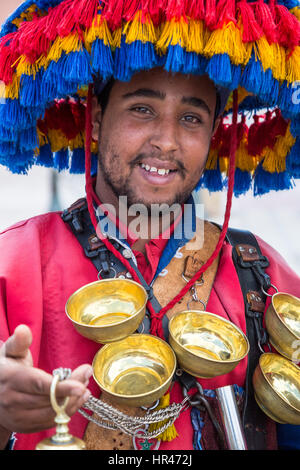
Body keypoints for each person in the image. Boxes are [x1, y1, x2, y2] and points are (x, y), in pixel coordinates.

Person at [0, 0, 299, 451]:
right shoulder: (14, 264)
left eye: (192, 118)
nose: (166, 140)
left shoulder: (264, 275)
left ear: (213, 135)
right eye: (142, 109)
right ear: (97, 120)